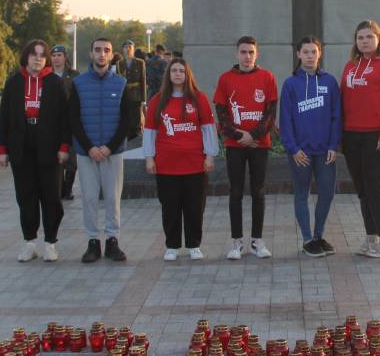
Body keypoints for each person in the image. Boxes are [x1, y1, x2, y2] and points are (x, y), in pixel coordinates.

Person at [0, 39, 72, 263]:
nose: (38, 58)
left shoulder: (55, 84)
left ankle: (50, 243)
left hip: (49, 146)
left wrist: (64, 147)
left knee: (51, 197)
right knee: (26, 196)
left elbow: (64, 119)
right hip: (21, 146)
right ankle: (30, 242)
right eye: (33, 54)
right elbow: (4, 118)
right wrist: (2, 149)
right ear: (26, 57)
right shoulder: (14, 83)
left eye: (42, 55)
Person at [340, 20, 380, 258]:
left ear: (379, 39)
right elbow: (343, 103)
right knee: (363, 189)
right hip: (352, 137)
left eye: (369, 36)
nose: (365, 41)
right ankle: (372, 237)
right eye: (360, 37)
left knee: (377, 187)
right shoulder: (350, 66)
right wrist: (340, 137)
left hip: (378, 137)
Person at [144, 58, 218, 260]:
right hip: (167, 166)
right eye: (174, 70)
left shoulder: (199, 99)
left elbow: (208, 129)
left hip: (195, 165)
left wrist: (210, 156)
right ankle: (172, 246)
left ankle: (194, 245)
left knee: (195, 207)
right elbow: (150, 131)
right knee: (170, 207)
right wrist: (149, 158)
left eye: (181, 71)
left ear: (188, 75)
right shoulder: (157, 100)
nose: (177, 74)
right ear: (168, 75)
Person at [69, 38, 135, 264]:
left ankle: (112, 240)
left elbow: (127, 119)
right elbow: (73, 118)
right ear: (91, 54)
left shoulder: (121, 83)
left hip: (112, 152)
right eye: (97, 50)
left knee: (112, 198)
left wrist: (109, 147)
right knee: (88, 198)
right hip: (86, 152)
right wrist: (89, 147)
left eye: (106, 50)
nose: (101, 54)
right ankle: (92, 242)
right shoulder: (78, 84)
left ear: (111, 54)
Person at [214, 36, 278, 260]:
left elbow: (271, 114)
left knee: (258, 192)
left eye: (251, 52)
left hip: (259, 144)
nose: (247, 56)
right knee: (236, 192)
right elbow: (221, 115)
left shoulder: (267, 77)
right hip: (235, 145)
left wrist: (254, 136)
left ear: (257, 54)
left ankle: (257, 241)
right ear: (236, 54)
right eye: (243, 52)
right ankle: (237, 242)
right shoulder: (225, 79)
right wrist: (240, 136)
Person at [279, 36, 341, 257]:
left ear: (319, 53)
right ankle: (307, 239)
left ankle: (318, 235)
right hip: (301, 153)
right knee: (301, 194)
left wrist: (334, 144)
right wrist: (293, 149)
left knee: (327, 193)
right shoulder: (290, 84)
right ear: (298, 55)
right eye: (305, 52)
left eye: (313, 52)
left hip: (325, 151)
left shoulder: (330, 82)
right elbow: (285, 120)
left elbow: (336, 116)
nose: (310, 56)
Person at [49, 44, 79, 199]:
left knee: (72, 159)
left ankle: (68, 189)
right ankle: (59, 188)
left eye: (59, 55)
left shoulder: (74, 76)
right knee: (57, 157)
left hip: (71, 122)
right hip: (53, 124)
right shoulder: (46, 75)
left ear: (65, 57)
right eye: (53, 56)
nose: (56, 58)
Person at [116, 40, 147, 145]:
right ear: (123, 49)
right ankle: (127, 141)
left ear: (133, 48)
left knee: (136, 122)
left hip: (136, 96)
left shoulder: (139, 62)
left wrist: (143, 99)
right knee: (126, 120)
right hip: (124, 96)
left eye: (130, 46)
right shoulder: (119, 64)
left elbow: (143, 81)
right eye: (125, 46)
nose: (128, 48)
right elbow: (117, 82)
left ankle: (137, 141)